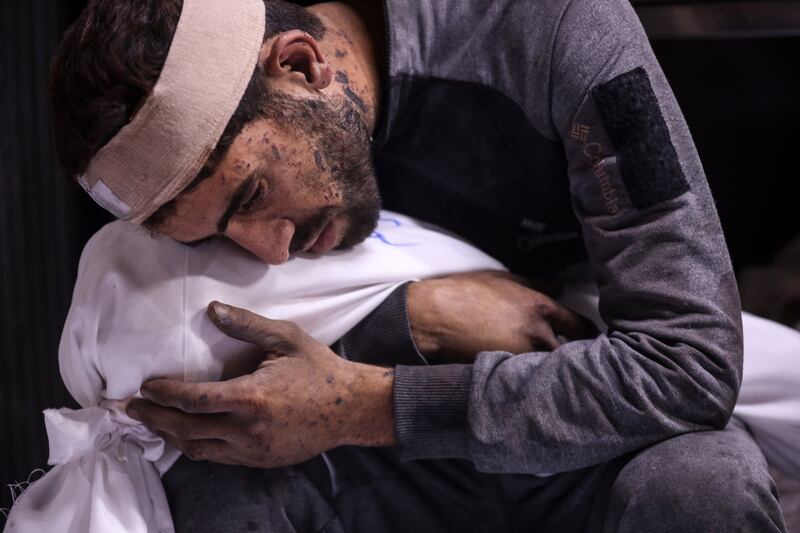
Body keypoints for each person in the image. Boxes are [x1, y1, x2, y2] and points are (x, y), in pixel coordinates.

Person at [46, 0, 788, 531]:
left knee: (702, 484)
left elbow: (688, 364)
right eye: (216, 235)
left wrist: (373, 403)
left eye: (253, 193)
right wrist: (421, 318)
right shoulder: (251, 205)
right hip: (383, 476)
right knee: (210, 490)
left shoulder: (557, 29)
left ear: (302, 64)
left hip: (587, 449)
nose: (269, 249)